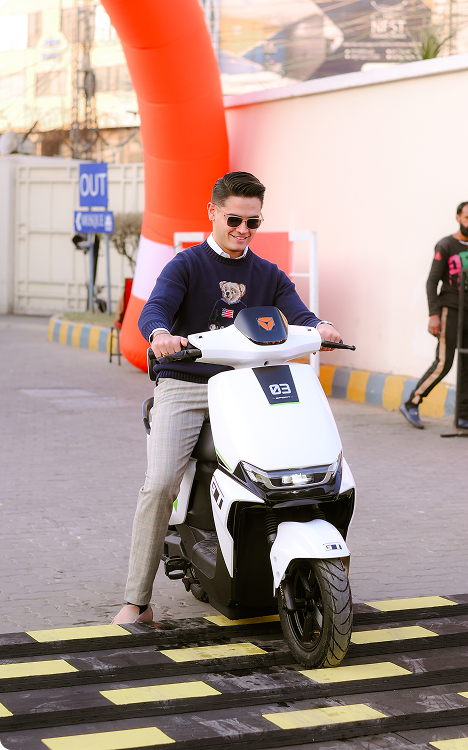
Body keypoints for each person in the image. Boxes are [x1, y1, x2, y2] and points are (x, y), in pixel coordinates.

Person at [113, 171, 342, 624]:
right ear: (213, 212)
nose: (243, 229)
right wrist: (159, 334)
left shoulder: (267, 273)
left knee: (282, 469)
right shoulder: (186, 265)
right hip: (186, 384)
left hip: (244, 387)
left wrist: (320, 327)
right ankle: (137, 601)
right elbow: (156, 308)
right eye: (234, 219)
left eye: (252, 222)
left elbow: (298, 312)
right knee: (159, 484)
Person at [400, 201, 468, 431]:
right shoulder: (446, 244)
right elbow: (432, 281)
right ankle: (412, 403)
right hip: (449, 310)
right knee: (444, 363)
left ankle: (463, 416)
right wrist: (434, 314)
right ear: (458, 217)